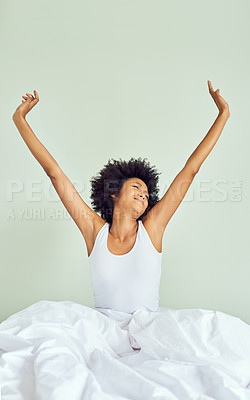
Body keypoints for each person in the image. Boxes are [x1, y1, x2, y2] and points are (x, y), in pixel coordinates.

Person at [12, 81, 230, 319]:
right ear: (113, 192)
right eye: (136, 187)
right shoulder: (95, 231)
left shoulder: (152, 228)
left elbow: (191, 170)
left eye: (147, 195)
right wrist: (20, 120)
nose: (143, 195)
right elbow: (55, 174)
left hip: (149, 330)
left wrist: (223, 114)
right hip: (102, 332)